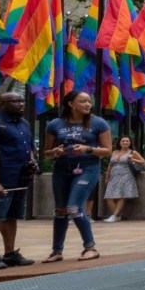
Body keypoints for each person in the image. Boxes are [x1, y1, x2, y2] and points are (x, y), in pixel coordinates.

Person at [43, 90, 111, 263]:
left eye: (89, 101)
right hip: (62, 169)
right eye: (82, 101)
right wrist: (56, 151)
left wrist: (87, 149)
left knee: (74, 207)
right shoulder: (55, 124)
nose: (88, 104)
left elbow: (108, 150)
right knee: (61, 210)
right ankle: (56, 251)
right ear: (71, 104)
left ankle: (90, 247)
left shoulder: (98, 123)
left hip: (88, 168)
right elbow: (46, 153)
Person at [0, 90, 36, 271]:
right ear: (3, 105)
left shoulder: (24, 123)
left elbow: (30, 148)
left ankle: (10, 254)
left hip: (20, 179)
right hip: (1, 179)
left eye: (22, 101)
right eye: (15, 101)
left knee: (12, 217)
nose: (21, 104)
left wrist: (33, 163)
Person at [102, 135, 145, 222]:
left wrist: (133, 159)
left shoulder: (132, 152)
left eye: (127, 141)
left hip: (126, 176)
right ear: (119, 143)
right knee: (108, 197)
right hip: (113, 176)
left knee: (121, 195)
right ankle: (116, 215)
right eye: (123, 141)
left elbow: (143, 162)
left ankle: (114, 215)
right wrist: (107, 177)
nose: (125, 142)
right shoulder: (114, 152)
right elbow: (110, 165)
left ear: (130, 143)